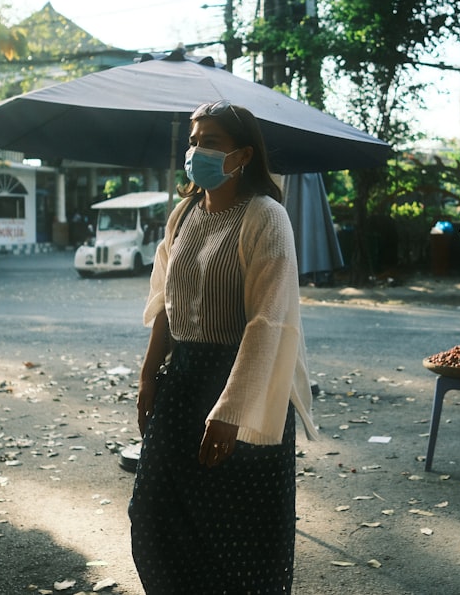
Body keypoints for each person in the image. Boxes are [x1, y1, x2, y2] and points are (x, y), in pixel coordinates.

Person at [129, 100, 318, 594]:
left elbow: (268, 323)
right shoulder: (183, 214)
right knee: (152, 514)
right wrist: (149, 376)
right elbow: (165, 301)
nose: (196, 151)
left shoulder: (265, 217)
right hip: (183, 379)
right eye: (194, 141)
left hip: (244, 387)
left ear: (243, 156)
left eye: (210, 142)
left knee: (235, 531)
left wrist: (231, 411)